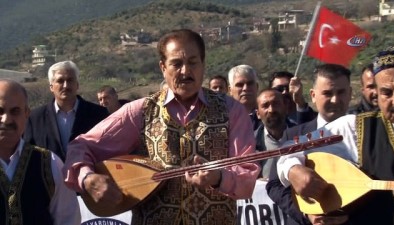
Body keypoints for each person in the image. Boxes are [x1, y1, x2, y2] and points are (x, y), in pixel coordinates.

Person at [63, 29, 260, 225]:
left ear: (203, 64)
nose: (185, 71)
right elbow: (81, 147)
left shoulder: (230, 110)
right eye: (176, 63)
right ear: (162, 67)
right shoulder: (139, 111)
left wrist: (219, 177)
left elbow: (247, 175)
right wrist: (88, 179)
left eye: (193, 62)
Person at [275, 46, 394, 225]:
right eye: (386, 93)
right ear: (377, 94)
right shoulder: (356, 128)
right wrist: (294, 170)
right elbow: (289, 151)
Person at [266, 63, 353, 225]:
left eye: (341, 92)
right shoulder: (294, 135)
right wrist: (307, 214)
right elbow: (274, 185)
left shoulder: (368, 135)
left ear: (350, 93)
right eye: (327, 93)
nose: (335, 100)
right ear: (313, 95)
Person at [0, 79, 80, 225]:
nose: (6, 119)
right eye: (0, 111)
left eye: (15, 111)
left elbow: (68, 220)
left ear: (26, 114)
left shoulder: (50, 163)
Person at [24, 61, 109, 161]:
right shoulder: (35, 118)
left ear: (77, 85)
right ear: (51, 87)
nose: (65, 86)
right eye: (60, 81)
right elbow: (28, 155)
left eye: (70, 80)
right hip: (48, 176)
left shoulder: (99, 114)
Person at [255, 88, 296, 178]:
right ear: (258, 113)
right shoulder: (250, 142)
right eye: (265, 106)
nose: (271, 110)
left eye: (276, 104)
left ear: (285, 107)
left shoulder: (302, 135)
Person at [228, 64, 261, 130]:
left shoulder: (269, 113)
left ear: (257, 87)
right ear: (230, 90)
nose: (245, 88)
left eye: (250, 84)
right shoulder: (223, 119)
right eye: (240, 85)